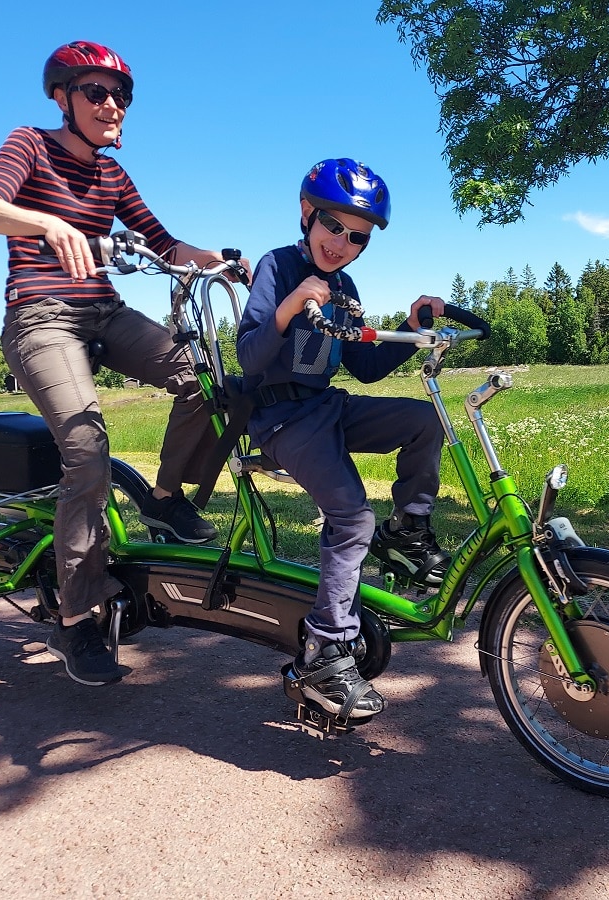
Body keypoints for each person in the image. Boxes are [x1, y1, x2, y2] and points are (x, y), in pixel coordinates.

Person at [0, 40, 249, 686]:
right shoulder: (29, 145)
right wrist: (45, 224)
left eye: (120, 95)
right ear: (63, 98)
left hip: (105, 312)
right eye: (96, 92)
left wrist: (223, 261)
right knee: (88, 450)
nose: (112, 104)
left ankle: (164, 497)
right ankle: (77, 619)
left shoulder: (114, 176)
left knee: (209, 382)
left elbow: (164, 241)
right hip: (40, 316)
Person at [236, 158, 450, 721]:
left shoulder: (344, 283)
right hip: (281, 416)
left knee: (423, 421)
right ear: (307, 213)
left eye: (358, 237)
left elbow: (365, 366)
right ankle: (325, 652)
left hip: (328, 406)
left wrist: (412, 328)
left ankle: (408, 532)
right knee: (352, 516)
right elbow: (249, 357)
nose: (344, 243)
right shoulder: (278, 266)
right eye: (335, 226)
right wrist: (289, 305)